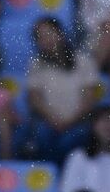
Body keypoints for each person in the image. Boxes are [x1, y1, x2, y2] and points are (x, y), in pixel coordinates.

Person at [25, 16, 102, 159]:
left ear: (61, 34)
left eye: (49, 33)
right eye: (40, 37)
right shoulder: (36, 64)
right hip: (49, 122)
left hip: (79, 122)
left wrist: (69, 122)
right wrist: (54, 120)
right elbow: (34, 98)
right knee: (41, 134)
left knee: (73, 138)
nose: (46, 39)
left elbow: (90, 98)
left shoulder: (84, 60)